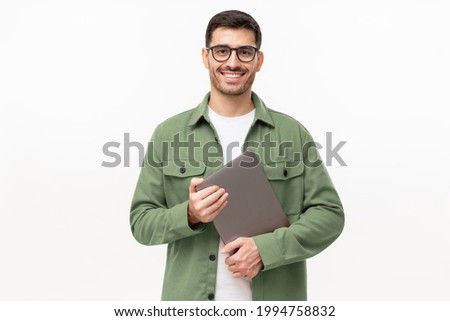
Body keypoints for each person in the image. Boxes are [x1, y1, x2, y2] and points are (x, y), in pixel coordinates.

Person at [130, 10, 344, 301]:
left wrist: (267, 249)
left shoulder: (292, 134)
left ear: (259, 60)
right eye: (221, 51)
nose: (232, 62)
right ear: (205, 57)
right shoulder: (169, 134)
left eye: (245, 52)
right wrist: (189, 214)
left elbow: (329, 215)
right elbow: (142, 223)